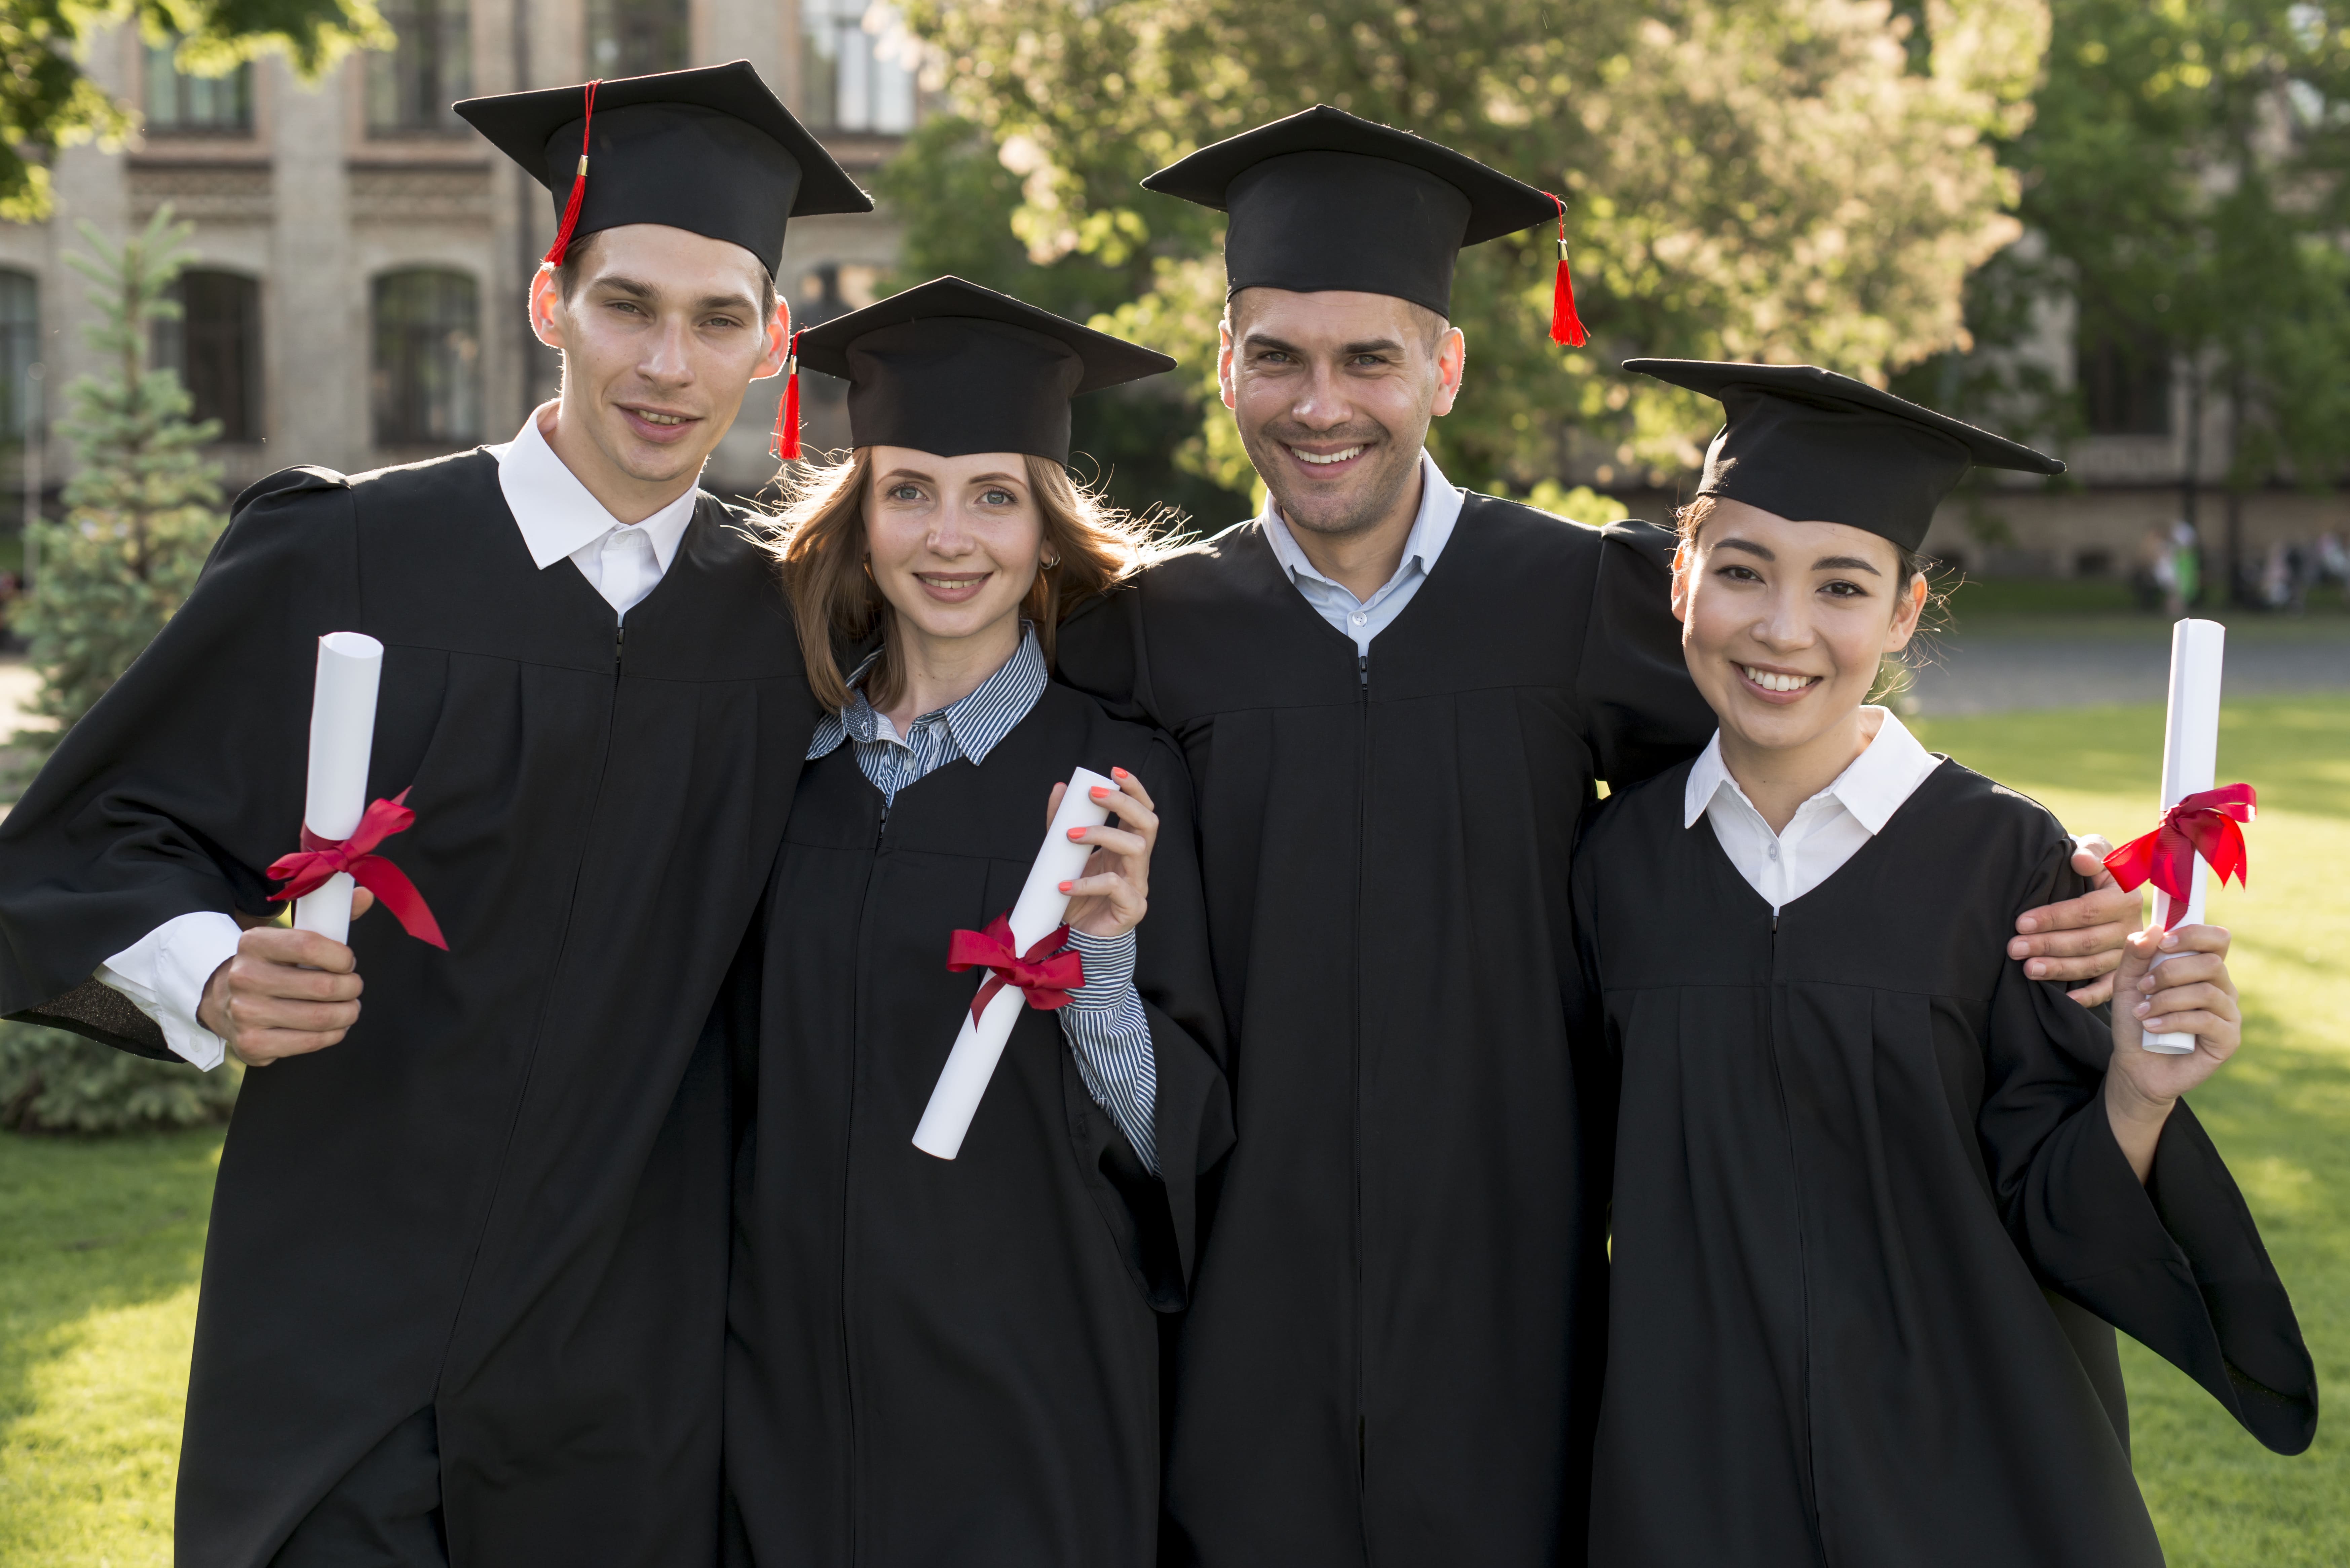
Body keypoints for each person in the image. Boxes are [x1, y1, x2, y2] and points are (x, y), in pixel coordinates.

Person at [1052, 106, 2146, 1566]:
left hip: (1525, 1321)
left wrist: (2035, 871)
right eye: (1277, 356)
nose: (1321, 404)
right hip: (1237, 1315)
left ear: (1444, 366)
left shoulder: (1577, 595)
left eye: (1369, 357)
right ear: (1224, 362)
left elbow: (1803, 712)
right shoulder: (1149, 635)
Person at [0, 62, 870, 1568]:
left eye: (718, 319)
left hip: (630, 1337)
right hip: (343, 1297)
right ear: (549, 304)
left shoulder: (788, 631)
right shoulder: (345, 551)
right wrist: (210, 967)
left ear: (774, 342)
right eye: (626, 305)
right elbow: (87, 839)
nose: (667, 364)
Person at [1575, 360, 2315, 1566]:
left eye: (1841, 586)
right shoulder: (1617, 865)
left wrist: (2135, 1092)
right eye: (1742, 571)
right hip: (1699, 1470)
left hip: (1964, 1467)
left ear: (1904, 612)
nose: (1783, 629)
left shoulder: (2007, 867)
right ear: (1680, 580)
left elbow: (2054, 1205)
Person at [723, 277, 1232, 1567]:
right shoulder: (779, 768)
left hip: (1029, 1392)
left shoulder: (1117, 785)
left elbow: (1170, 1146)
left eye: (995, 497)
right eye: (910, 492)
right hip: (784, 1395)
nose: (950, 539)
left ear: (1048, 534)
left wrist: (1101, 966)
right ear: (861, 522)